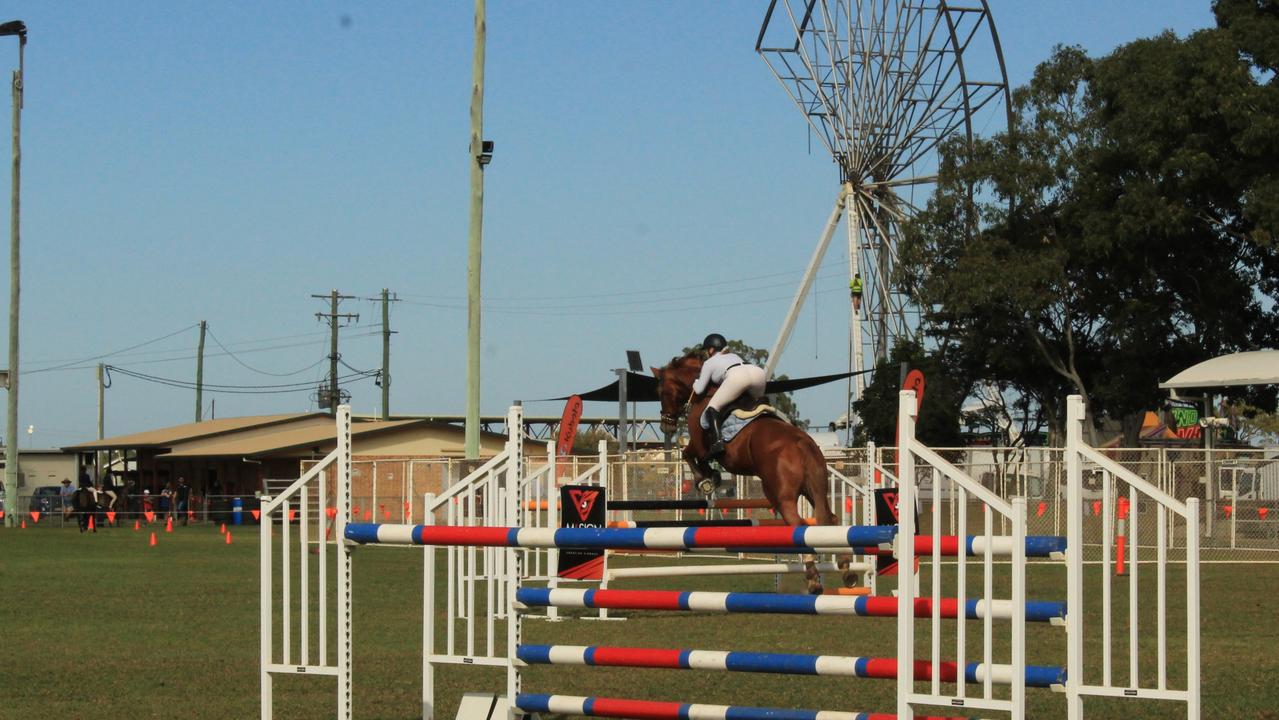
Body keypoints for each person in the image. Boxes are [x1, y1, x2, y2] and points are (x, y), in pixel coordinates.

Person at [691, 333, 767, 460]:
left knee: (712, 408)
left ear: (711, 349)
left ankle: (717, 443)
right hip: (758, 373)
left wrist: (695, 382)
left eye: (706, 350)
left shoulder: (709, 362)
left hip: (737, 377)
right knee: (757, 404)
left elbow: (699, 390)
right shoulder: (734, 355)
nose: (705, 353)